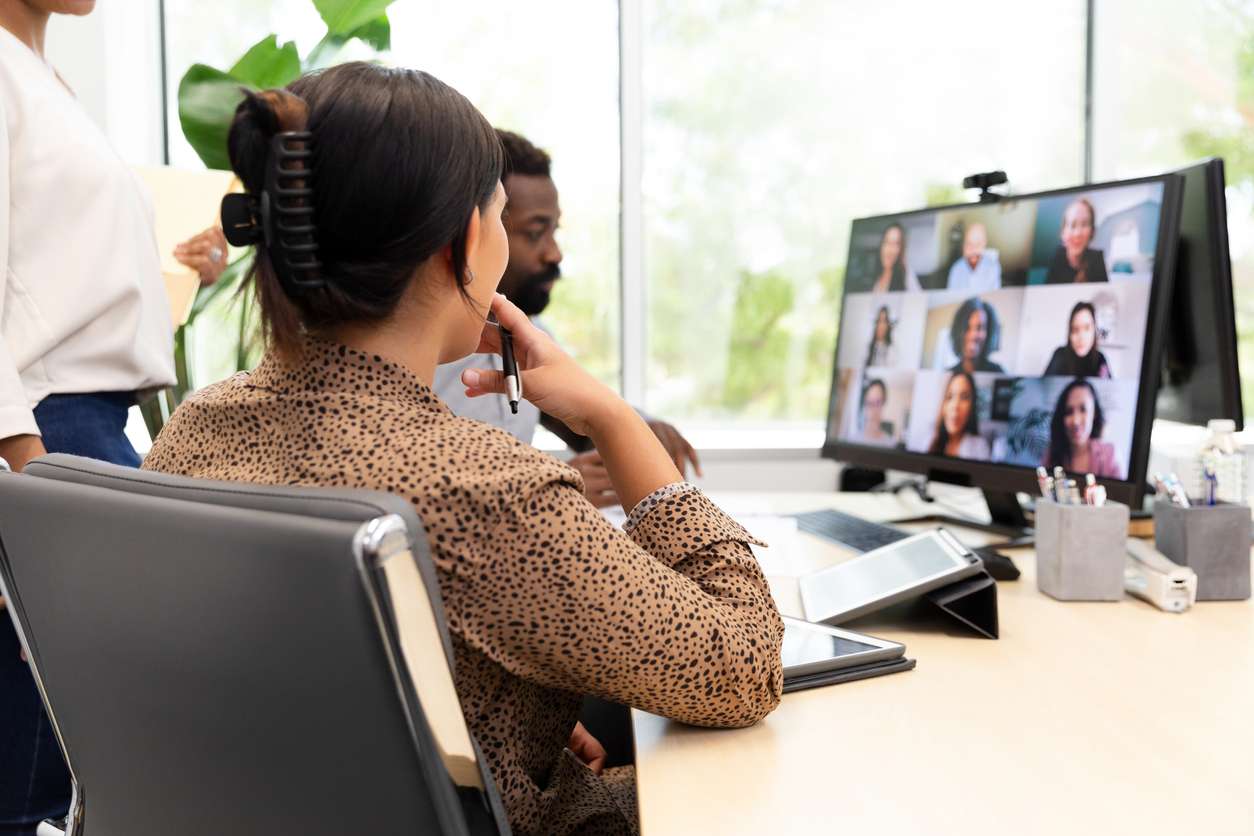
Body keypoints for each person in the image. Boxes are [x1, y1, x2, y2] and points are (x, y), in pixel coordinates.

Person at [141, 65, 783, 836]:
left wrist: (492, 724)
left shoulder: (197, 427)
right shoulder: (484, 489)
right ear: (467, 242)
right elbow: (743, 668)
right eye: (506, 215)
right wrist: (612, 416)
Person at [0, 3, 178, 832]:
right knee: (34, 773)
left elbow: (60, 290)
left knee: (68, 772)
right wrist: (30, 476)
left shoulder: (39, 76)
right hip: (41, 437)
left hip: (83, 435)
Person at [433, 129, 699, 508]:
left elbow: (575, 413)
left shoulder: (530, 337)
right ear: (473, 232)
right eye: (536, 232)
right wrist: (550, 494)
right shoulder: (428, 345)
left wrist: (637, 428)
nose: (555, 253)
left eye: (555, 231)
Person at [1043, 378, 1120, 477]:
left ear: (1094, 413)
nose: (1075, 421)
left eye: (1083, 409)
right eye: (1069, 412)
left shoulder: (1110, 454)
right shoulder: (1051, 454)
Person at [927, 371, 989, 459]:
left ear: (972, 406)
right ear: (943, 405)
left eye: (964, 397)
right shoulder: (928, 439)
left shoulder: (980, 447)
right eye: (949, 397)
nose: (955, 406)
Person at [1046, 197, 1108, 284]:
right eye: (1072, 225)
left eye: (1084, 224)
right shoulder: (1057, 256)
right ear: (1063, 233)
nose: (1077, 233)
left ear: (1092, 232)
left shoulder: (1097, 258)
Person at [1043, 301, 1111, 378]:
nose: (1081, 337)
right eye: (1075, 330)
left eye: (1087, 328)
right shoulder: (1059, 355)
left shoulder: (1100, 359)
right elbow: (1045, 386)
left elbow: (1109, 388)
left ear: (1094, 330)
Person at [947, 297, 1004, 374]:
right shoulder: (948, 374)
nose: (973, 336)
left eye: (980, 328)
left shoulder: (998, 373)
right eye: (967, 327)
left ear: (989, 332)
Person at [946, 222, 1002, 292]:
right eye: (969, 243)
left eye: (978, 244)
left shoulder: (993, 266)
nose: (973, 249)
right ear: (963, 245)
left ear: (984, 244)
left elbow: (995, 294)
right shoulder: (956, 268)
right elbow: (950, 296)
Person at [867, 222, 921, 292]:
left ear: (901, 249)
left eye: (896, 244)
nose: (890, 250)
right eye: (886, 242)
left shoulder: (906, 274)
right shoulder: (874, 277)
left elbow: (920, 299)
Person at [855, 378, 893, 446]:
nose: (873, 410)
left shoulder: (891, 444)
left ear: (883, 403)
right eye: (870, 403)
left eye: (878, 402)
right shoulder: (853, 440)